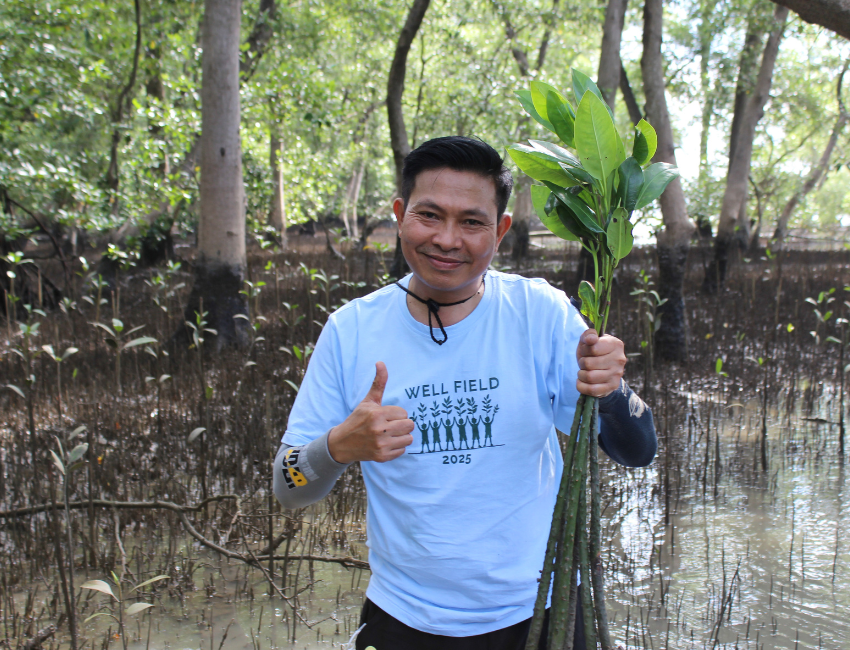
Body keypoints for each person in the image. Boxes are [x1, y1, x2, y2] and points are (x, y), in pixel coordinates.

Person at [272, 136, 657, 649]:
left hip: (541, 613)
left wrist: (611, 391)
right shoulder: (351, 330)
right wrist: (337, 447)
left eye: (472, 222)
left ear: (500, 231)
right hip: (403, 619)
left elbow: (638, 450)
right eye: (429, 216)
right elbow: (288, 485)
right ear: (400, 215)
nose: (447, 240)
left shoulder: (539, 312)